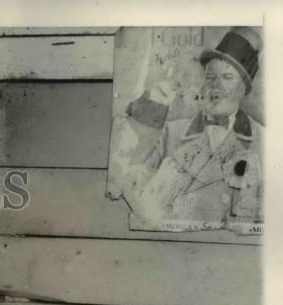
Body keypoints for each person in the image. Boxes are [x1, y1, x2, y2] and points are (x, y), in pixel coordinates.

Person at [113, 27, 263, 229]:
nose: (216, 87)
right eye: (210, 77)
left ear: (243, 87)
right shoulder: (169, 132)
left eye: (227, 78)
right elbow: (131, 184)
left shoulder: (266, 142)